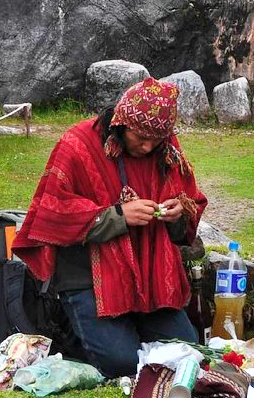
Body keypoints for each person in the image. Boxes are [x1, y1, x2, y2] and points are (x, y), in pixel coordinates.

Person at [12, 78, 208, 378]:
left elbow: (188, 205)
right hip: (90, 276)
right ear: (120, 122)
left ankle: (126, 332)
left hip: (150, 276)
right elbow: (52, 211)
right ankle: (84, 332)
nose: (148, 145)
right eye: (140, 136)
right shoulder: (77, 145)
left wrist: (178, 212)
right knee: (123, 363)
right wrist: (117, 216)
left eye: (156, 140)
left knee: (187, 348)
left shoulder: (164, 147)